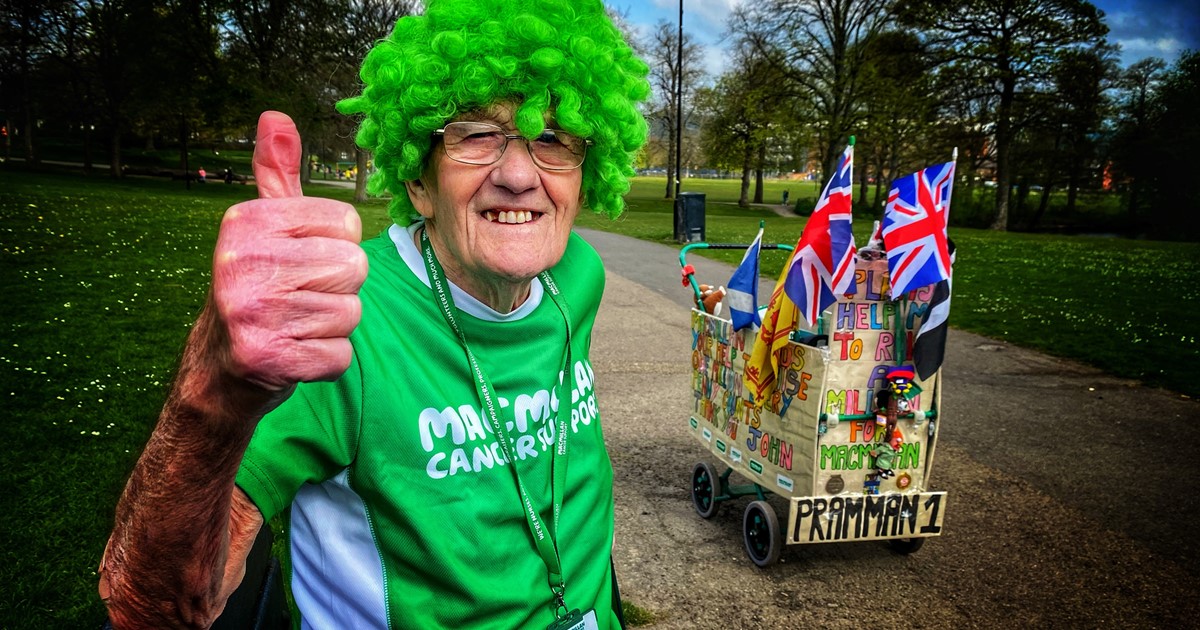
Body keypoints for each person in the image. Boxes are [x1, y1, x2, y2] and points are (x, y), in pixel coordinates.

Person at [97, 0, 650, 628]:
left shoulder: (578, 275)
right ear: (418, 181)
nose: (520, 174)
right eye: (476, 134)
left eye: (553, 138)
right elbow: (153, 608)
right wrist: (213, 394)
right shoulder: (336, 326)